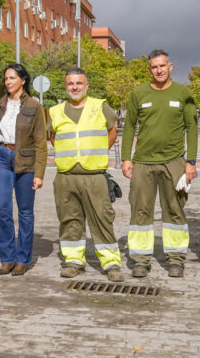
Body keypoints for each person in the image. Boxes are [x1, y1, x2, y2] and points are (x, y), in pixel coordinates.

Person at [121, 49, 197, 278]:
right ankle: (141, 260)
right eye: (154, 67)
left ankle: (175, 259)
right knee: (140, 212)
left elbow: (192, 128)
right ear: (149, 70)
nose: (159, 70)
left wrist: (191, 162)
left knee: (174, 211)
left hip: (173, 162)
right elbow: (129, 126)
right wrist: (126, 158)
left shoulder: (183, 92)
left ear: (170, 66)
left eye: (162, 66)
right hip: (142, 163)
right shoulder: (138, 93)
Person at [49, 68, 124, 282]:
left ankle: (111, 264)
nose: (75, 87)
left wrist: (97, 151)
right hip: (66, 176)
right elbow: (53, 137)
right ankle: (74, 261)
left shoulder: (100, 106)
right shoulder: (55, 111)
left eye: (79, 83)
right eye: (70, 84)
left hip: (94, 175)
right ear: (66, 87)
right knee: (69, 219)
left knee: (102, 219)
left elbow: (112, 132)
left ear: (86, 85)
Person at [0, 64, 47, 276]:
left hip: (26, 159)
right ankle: (7, 258)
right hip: (1, 157)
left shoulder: (34, 106)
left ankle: (23, 259)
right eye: (6, 79)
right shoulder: (0, 104)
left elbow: (40, 142)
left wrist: (39, 174)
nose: (7, 82)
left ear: (23, 80)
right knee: (2, 209)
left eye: (12, 78)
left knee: (25, 211)